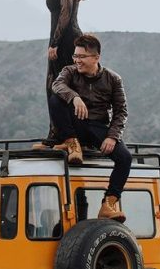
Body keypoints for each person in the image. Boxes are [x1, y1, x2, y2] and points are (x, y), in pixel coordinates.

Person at [48, 33, 132, 222]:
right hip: (74, 125)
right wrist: (74, 97)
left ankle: (108, 204)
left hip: (98, 128)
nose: (77, 61)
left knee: (125, 158)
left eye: (82, 57)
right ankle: (72, 144)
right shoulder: (69, 71)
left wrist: (112, 136)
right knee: (56, 99)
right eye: (75, 56)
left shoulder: (113, 79)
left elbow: (121, 111)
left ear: (96, 57)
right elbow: (57, 85)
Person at [46, 0, 84, 102]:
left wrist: (55, 43)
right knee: (61, 84)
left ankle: (63, 126)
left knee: (60, 86)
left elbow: (65, 14)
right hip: (66, 38)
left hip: (65, 40)